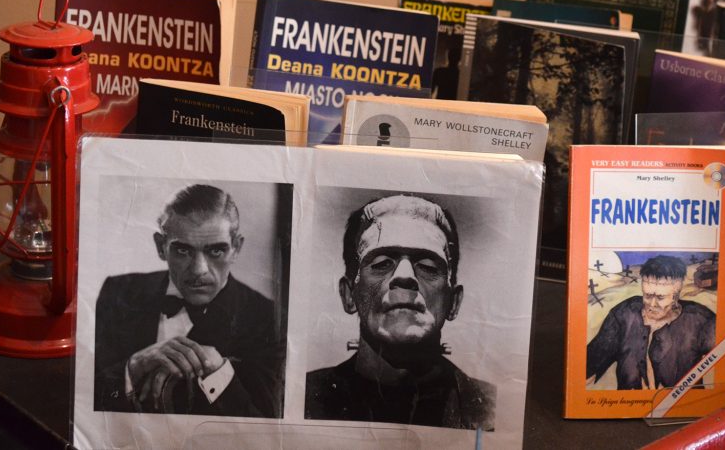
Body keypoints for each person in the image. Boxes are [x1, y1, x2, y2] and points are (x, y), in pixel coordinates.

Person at [304, 194, 495, 430]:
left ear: (453, 302)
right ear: (349, 295)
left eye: (428, 267)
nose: (404, 276)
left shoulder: (492, 410)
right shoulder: (302, 399)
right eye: (381, 263)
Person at [94, 184, 285, 418]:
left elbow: (265, 429)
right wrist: (132, 368)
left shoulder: (269, 320)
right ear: (161, 247)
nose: (198, 270)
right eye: (183, 251)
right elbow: (86, 401)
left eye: (215, 251)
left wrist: (219, 372)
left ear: (236, 248)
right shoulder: (118, 293)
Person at [586, 255, 715, 389]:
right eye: (647, 295)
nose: (652, 304)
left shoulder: (700, 319)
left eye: (660, 297)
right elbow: (589, 365)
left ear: (676, 295)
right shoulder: (624, 314)